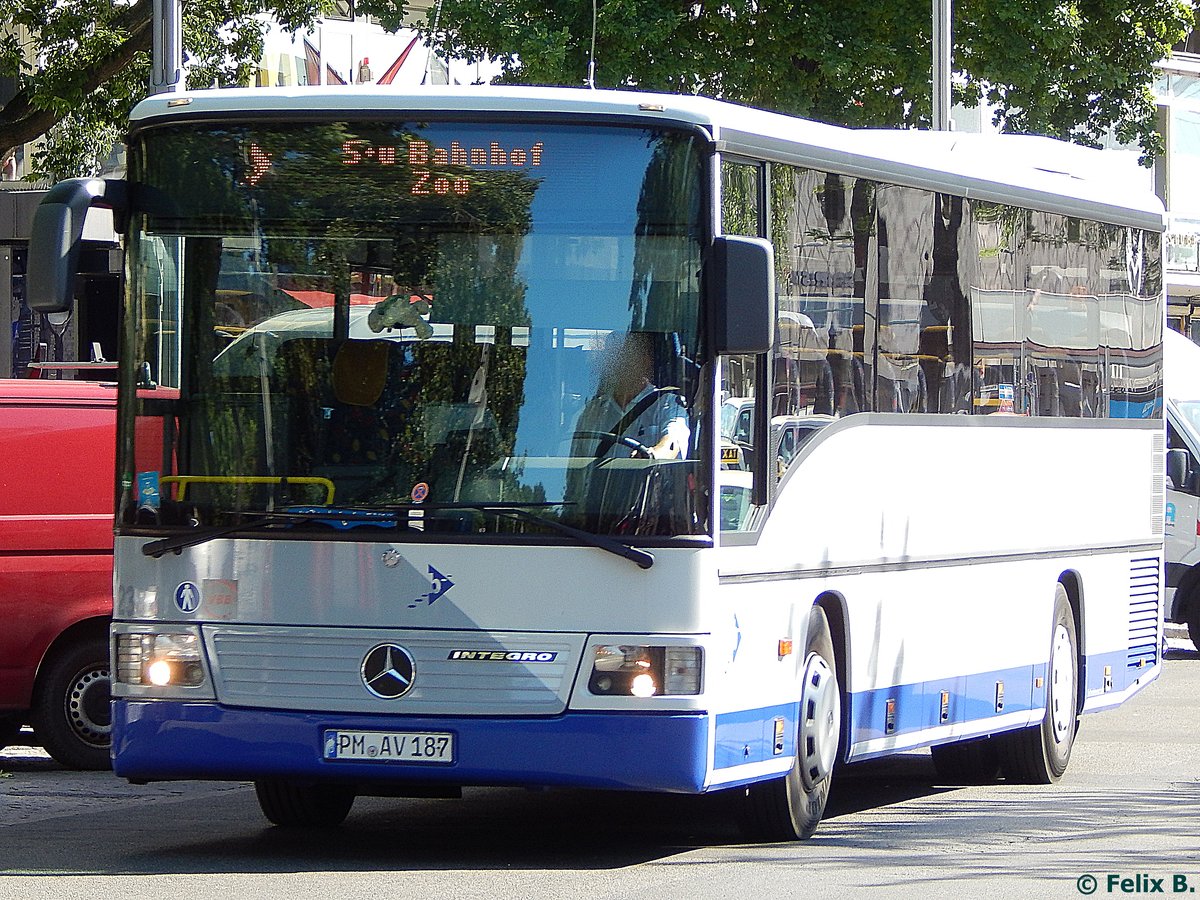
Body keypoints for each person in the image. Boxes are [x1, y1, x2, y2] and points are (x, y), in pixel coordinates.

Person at [570, 332, 690, 461]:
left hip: (646, 480)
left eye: (623, 356)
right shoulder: (591, 411)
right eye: (611, 357)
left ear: (645, 361)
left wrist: (653, 454)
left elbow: (673, 441)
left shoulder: (667, 404)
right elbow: (566, 459)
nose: (615, 364)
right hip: (593, 481)